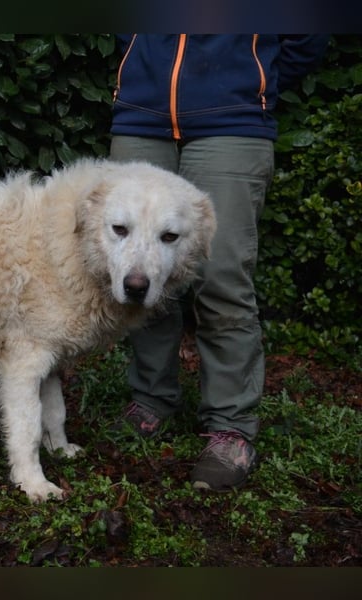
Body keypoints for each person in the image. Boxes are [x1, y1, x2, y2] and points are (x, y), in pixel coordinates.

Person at [109, 34, 330, 490]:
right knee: (142, 270)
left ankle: (231, 427)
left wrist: (251, 79)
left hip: (233, 122)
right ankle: (151, 400)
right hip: (141, 118)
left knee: (222, 278)